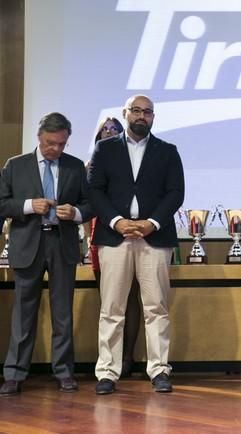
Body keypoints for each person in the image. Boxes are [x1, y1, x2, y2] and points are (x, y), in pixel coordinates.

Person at [88, 94, 185, 395]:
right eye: (136, 111)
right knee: (112, 307)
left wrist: (150, 223)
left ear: (153, 117)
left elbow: (175, 193)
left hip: (153, 238)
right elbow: (94, 191)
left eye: (148, 112)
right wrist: (117, 221)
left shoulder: (168, 151)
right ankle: (107, 371)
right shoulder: (104, 150)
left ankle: (159, 370)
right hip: (114, 236)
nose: (142, 116)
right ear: (125, 113)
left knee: (156, 307)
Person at [0, 112, 93, 395]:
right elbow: (2, 203)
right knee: (23, 312)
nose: (56, 149)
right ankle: (15, 373)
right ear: (39, 136)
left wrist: (75, 212)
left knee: (63, 312)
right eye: (51, 142)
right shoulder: (15, 166)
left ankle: (64, 372)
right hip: (28, 244)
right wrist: (29, 205)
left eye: (62, 144)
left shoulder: (76, 167)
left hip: (62, 244)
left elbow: (90, 204)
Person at [87, 117, 142, 378]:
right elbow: (88, 205)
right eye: (104, 129)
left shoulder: (133, 162)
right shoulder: (91, 164)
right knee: (109, 301)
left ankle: (127, 357)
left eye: (114, 129)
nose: (109, 132)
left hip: (135, 233)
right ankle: (108, 360)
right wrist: (87, 239)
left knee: (131, 297)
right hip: (103, 236)